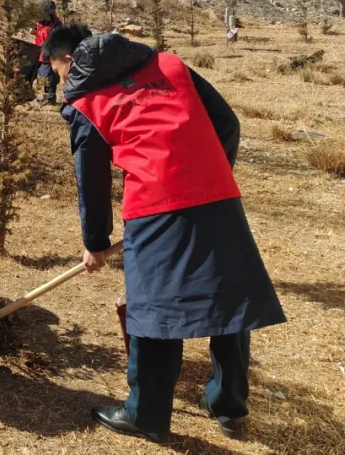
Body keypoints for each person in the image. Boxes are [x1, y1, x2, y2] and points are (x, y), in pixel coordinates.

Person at [41, 25, 285, 443]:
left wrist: (95, 243)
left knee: (153, 310)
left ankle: (146, 414)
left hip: (154, 207)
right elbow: (227, 123)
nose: (59, 80)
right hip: (217, 196)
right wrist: (209, 172)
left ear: (68, 59)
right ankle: (228, 405)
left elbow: (92, 180)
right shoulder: (169, 64)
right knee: (226, 296)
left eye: (57, 71)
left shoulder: (88, 102)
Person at [31, 0, 63, 104]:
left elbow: (56, 40)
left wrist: (46, 45)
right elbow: (37, 31)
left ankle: (50, 99)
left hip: (51, 55)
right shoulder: (40, 23)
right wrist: (34, 31)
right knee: (40, 75)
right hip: (39, 53)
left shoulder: (57, 25)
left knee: (48, 76)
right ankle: (44, 97)